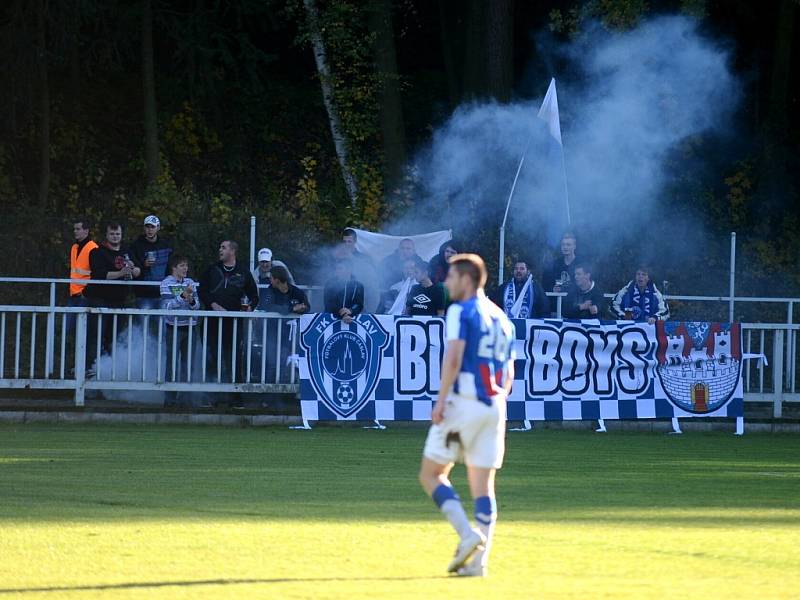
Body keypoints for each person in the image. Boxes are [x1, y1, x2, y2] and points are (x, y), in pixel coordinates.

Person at [418, 253, 515, 578]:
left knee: (431, 474)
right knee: (484, 487)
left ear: (467, 279)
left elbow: (454, 356)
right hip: (496, 406)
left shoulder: (461, 310)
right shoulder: (502, 317)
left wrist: (441, 400)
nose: (446, 283)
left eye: (450, 277)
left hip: (465, 401)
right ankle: (479, 563)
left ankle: (466, 534)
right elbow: (509, 372)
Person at [198, 240, 259, 383]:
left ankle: (236, 396)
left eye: (223, 247)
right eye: (220, 247)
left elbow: (254, 296)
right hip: (211, 322)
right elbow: (201, 290)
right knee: (212, 357)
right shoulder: (211, 269)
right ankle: (211, 395)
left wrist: (250, 307)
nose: (220, 250)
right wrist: (212, 304)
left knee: (234, 358)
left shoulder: (243, 272)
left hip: (233, 324)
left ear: (232, 251)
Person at [83, 222, 141, 358]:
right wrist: (120, 273)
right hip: (99, 299)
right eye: (112, 234)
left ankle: (108, 369)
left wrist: (132, 268)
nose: (115, 237)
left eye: (118, 234)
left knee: (115, 337)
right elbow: (99, 274)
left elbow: (138, 271)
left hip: (120, 301)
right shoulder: (97, 252)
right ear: (106, 235)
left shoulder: (127, 251)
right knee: (95, 337)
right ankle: (89, 368)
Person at [160, 255, 200, 406]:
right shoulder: (165, 283)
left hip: (190, 327)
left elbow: (197, 306)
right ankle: (169, 400)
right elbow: (167, 306)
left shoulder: (190, 282)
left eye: (186, 266)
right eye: (182, 265)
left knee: (188, 364)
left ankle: (185, 400)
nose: (185, 269)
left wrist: (191, 300)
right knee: (171, 364)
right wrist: (183, 296)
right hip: (173, 328)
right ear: (174, 268)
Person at [130, 215, 173, 310]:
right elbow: (132, 266)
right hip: (143, 293)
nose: (150, 230)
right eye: (147, 227)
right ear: (144, 228)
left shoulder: (165, 244)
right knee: (143, 323)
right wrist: (143, 264)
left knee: (162, 323)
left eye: (152, 227)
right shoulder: (136, 245)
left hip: (162, 292)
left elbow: (171, 266)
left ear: (158, 228)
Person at [67, 217, 98, 332]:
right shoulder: (74, 247)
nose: (75, 231)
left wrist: (86, 292)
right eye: (74, 229)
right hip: (73, 294)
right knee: (70, 329)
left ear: (86, 231)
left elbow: (95, 273)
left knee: (82, 330)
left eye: (78, 229)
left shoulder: (93, 248)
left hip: (85, 295)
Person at [324, 260, 364, 325]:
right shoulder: (330, 283)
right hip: (330, 321)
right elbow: (328, 303)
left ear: (349, 270)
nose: (336, 271)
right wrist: (343, 314)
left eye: (340, 268)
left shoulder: (358, 285)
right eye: (336, 269)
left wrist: (351, 310)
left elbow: (359, 304)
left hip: (351, 319)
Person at [544, 232, 579, 296]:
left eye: (568, 245)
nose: (565, 247)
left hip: (576, 302)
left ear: (574, 246)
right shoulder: (555, 264)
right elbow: (546, 284)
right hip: (558, 302)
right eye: (563, 245)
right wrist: (553, 289)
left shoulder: (581, 263)